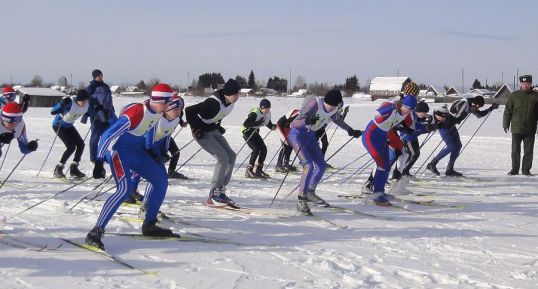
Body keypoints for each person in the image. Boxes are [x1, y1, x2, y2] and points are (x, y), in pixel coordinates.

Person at [85, 84, 175, 250]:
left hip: (137, 152)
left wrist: (152, 152)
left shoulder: (157, 111)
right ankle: (95, 232)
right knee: (124, 190)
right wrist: (99, 161)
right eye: (167, 103)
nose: (169, 107)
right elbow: (107, 135)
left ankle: (149, 224)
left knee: (161, 181)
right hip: (119, 153)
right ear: (159, 101)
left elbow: (147, 131)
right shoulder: (136, 112)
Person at [289, 90, 362, 214]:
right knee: (308, 166)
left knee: (321, 166)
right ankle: (301, 200)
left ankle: (310, 192)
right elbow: (294, 123)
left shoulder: (333, 109)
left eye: (335, 107)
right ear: (327, 102)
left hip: (310, 136)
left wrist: (350, 130)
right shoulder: (314, 105)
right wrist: (306, 121)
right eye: (332, 106)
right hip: (297, 135)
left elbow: (337, 120)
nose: (333, 109)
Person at [185, 78, 240, 208]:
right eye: (235, 94)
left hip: (212, 129)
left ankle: (221, 191)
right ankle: (213, 194)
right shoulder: (212, 103)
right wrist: (196, 128)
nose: (237, 97)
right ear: (227, 93)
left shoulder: (230, 104)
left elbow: (219, 115)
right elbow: (189, 111)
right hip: (201, 132)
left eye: (238, 94)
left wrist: (218, 125)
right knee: (222, 157)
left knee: (231, 156)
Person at [362, 82, 418, 205]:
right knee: (381, 165)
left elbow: (408, 124)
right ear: (402, 104)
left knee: (386, 165)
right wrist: (392, 107)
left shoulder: (406, 111)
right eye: (406, 109)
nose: (407, 112)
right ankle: (376, 195)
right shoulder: (392, 104)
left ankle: (380, 192)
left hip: (382, 137)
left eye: (410, 110)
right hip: (371, 136)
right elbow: (377, 114)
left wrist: (406, 128)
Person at [427, 95, 498, 177]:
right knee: (451, 146)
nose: (477, 108)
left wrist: (491, 108)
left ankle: (450, 169)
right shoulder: (464, 104)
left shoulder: (471, 104)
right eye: (477, 106)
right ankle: (432, 163)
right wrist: (468, 111)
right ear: (475, 103)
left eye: (479, 107)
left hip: (451, 126)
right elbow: (456, 119)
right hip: (445, 126)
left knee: (458, 146)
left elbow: (479, 115)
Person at [84, 69, 117, 179]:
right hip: (97, 115)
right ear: (94, 76)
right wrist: (95, 106)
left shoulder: (106, 86)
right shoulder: (91, 87)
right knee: (95, 136)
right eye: (98, 75)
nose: (100, 77)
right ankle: (94, 157)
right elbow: (87, 99)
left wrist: (111, 110)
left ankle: (105, 155)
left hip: (108, 113)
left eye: (101, 75)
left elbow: (109, 100)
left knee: (108, 135)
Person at [503, 75, 538, 176]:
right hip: (516, 128)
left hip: (530, 128)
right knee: (515, 151)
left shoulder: (535, 96)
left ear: (531, 84)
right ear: (520, 84)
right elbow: (508, 110)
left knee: (528, 151)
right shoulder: (515, 95)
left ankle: (526, 170)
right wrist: (506, 123)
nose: (525, 85)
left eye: (527, 83)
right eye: (523, 83)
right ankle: (514, 170)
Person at [50, 90, 89, 178]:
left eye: (86, 101)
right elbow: (53, 112)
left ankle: (74, 168)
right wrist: (61, 103)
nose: (84, 103)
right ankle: (59, 168)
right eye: (82, 101)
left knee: (81, 144)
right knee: (71, 147)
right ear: (78, 99)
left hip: (69, 126)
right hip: (58, 125)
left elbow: (89, 112)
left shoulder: (86, 105)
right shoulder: (70, 103)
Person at [393, 101, 436, 177]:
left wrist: (429, 125)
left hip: (413, 137)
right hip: (407, 137)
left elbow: (421, 125)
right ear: (419, 111)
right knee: (414, 154)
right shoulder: (411, 115)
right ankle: (403, 171)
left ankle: (403, 170)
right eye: (424, 113)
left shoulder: (419, 116)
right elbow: (414, 126)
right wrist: (426, 127)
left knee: (413, 154)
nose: (425, 115)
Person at [241, 98, 276, 178]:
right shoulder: (254, 113)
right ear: (262, 107)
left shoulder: (268, 113)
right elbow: (246, 124)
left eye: (269, 108)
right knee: (256, 149)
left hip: (255, 131)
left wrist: (272, 127)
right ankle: (249, 170)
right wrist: (256, 123)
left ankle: (259, 169)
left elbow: (267, 123)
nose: (267, 110)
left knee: (263, 149)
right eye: (266, 108)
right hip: (247, 131)